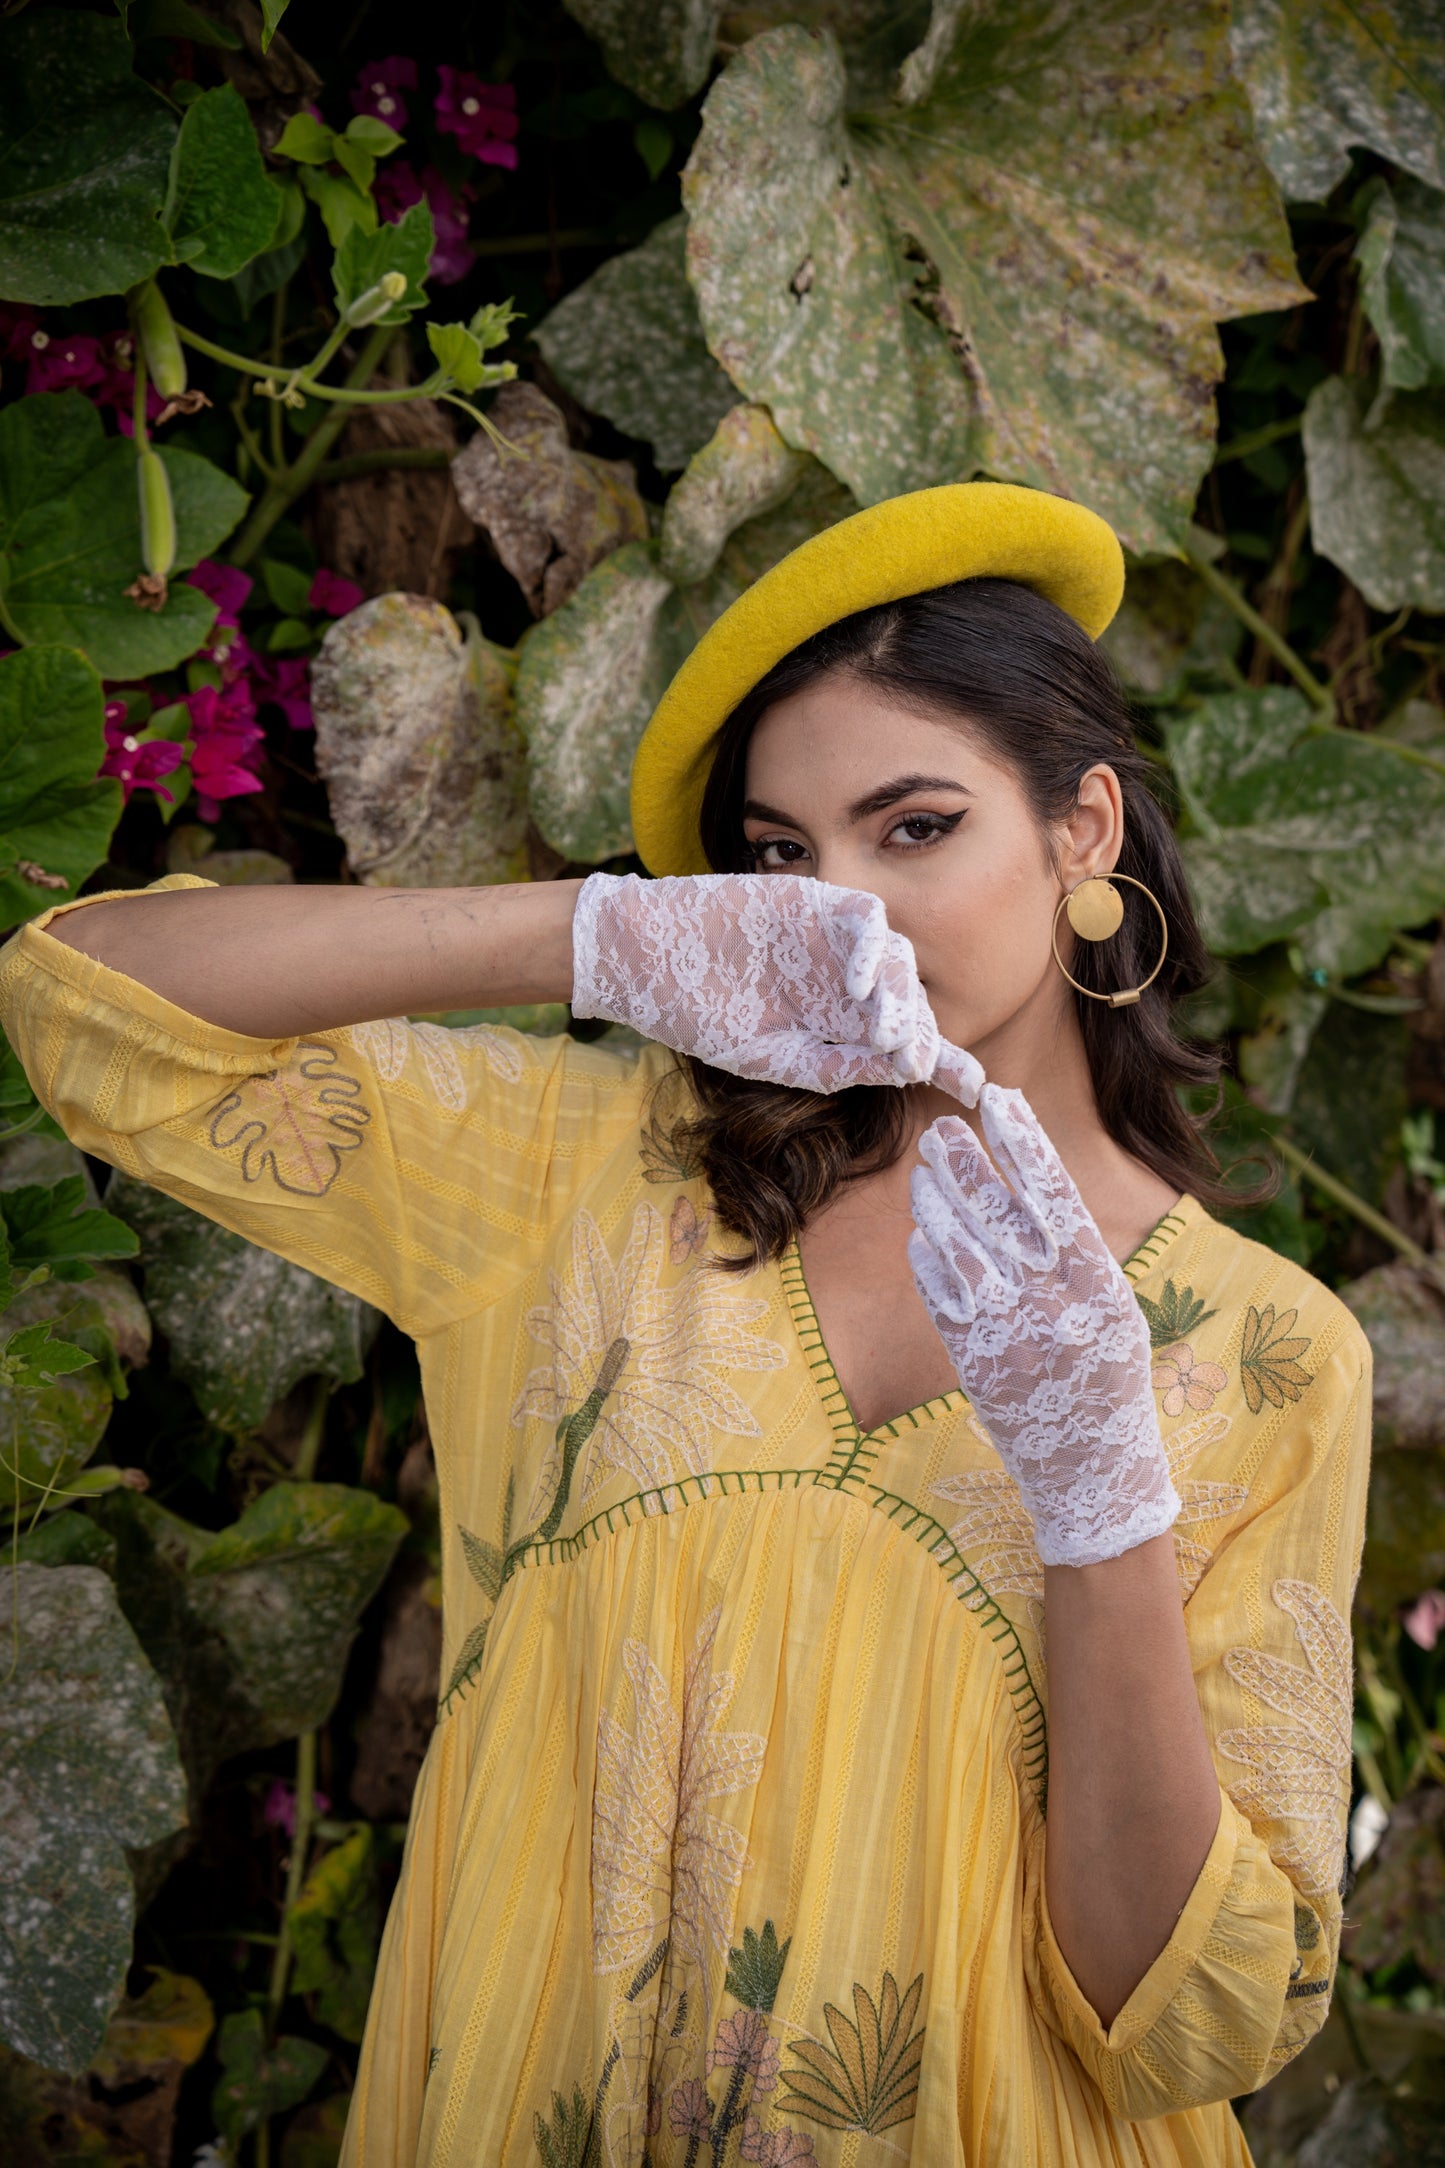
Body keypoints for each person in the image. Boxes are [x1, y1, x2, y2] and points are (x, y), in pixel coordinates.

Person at [0, 483, 1369, 2166]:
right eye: (783, 856)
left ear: (1082, 826)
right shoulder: (590, 1181)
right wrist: (587, 935)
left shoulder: (1272, 1352)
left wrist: (1100, 1501)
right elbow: (88, 1008)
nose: (841, 909)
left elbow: (1189, 2019)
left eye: (915, 826)